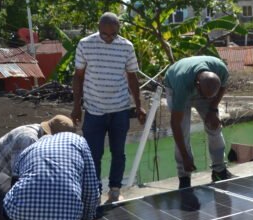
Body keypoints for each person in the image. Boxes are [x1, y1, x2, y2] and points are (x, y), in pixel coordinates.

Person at [71, 12, 146, 203]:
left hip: (120, 109)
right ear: (98, 29)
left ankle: (114, 189)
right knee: (93, 155)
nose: (109, 38)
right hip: (93, 111)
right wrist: (76, 106)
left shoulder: (126, 46)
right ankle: (95, 192)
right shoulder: (85, 44)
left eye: (113, 34)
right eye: (105, 34)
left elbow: (132, 77)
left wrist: (139, 106)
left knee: (118, 153)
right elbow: (78, 76)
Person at [163, 55, 233, 189]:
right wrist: (185, 157)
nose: (205, 99)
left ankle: (219, 170)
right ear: (197, 85)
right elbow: (175, 125)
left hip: (203, 87)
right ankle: (184, 177)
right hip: (176, 86)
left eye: (209, 96)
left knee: (214, 127)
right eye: (204, 96)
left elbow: (223, 87)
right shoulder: (182, 85)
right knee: (183, 132)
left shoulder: (221, 70)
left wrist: (213, 109)